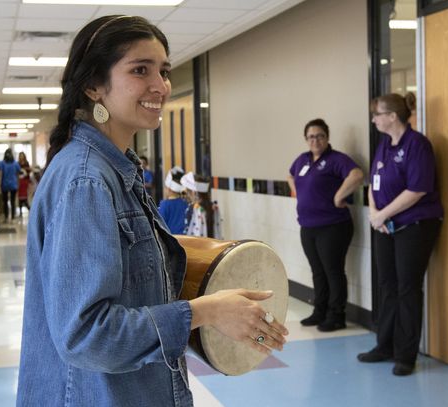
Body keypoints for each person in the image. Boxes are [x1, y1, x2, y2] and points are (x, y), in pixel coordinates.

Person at [17, 15, 288, 407]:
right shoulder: (87, 181)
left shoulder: (113, 169)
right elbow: (87, 336)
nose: (160, 86)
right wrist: (205, 311)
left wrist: (221, 308)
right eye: (140, 70)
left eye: (164, 70)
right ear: (93, 86)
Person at [357, 93, 443, 376]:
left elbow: (417, 189)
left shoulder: (417, 145)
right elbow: (373, 183)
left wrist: (384, 214)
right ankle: (385, 345)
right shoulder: (384, 145)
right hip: (385, 226)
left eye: (377, 114)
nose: (374, 119)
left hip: (413, 226)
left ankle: (406, 355)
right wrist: (374, 213)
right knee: (387, 285)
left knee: (407, 287)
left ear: (392, 116)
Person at [288, 118, 364, 332]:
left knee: (333, 271)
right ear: (306, 139)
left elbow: (357, 175)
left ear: (327, 137)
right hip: (308, 226)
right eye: (311, 136)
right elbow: (290, 175)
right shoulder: (302, 160)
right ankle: (319, 311)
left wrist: (339, 196)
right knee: (317, 271)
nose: (316, 140)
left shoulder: (336, 159)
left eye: (320, 136)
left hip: (333, 226)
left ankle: (336, 315)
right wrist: (299, 193)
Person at [181, 172, 214, 237]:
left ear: (193, 192)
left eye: (187, 191)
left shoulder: (193, 208)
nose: (186, 195)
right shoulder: (211, 206)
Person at [158, 166, 188, 234]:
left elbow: (161, 225)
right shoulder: (186, 202)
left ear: (169, 189)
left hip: (171, 240)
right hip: (186, 239)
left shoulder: (164, 204)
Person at [0, 148, 21, 223]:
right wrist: (18, 184)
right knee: (13, 202)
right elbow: (17, 175)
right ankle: (13, 218)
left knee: (5, 201)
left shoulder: (1, 163)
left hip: (4, 185)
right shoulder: (16, 164)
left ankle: (6, 217)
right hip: (13, 185)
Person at [17, 152, 32, 217]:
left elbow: (29, 171)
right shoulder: (17, 163)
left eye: (22, 155)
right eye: (20, 156)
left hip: (25, 181)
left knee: (25, 196)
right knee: (20, 197)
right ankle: (20, 212)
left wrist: (25, 170)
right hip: (20, 181)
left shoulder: (27, 163)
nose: (21, 157)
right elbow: (17, 172)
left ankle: (30, 209)